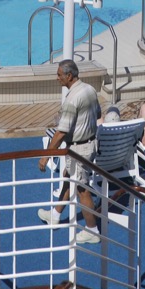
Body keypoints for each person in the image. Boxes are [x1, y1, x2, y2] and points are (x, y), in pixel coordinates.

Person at [37, 59, 102, 244]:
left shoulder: (72, 99)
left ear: (69, 76)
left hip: (79, 149)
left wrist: (45, 156)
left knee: (82, 190)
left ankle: (92, 231)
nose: (57, 78)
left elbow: (60, 133)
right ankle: (55, 215)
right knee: (67, 176)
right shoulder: (89, 89)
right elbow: (97, 114)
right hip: (89, 144)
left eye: (59, 75)